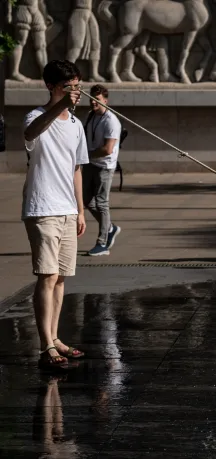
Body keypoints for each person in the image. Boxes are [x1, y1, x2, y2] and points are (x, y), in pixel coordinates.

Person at [22, 59, 89, 370]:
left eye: (76, 86)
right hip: (42, 207)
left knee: (61, 278)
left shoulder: (76, 125)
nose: (74, 92)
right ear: (50, 86)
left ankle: (56, 337)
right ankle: (45, 344)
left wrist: (79, 210)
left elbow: (76, 168)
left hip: (66, 209)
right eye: (67, 87)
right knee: (47, 276)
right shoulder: (36, 116)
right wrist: (59, 105)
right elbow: (31, 133)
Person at [82, 84, 122, 256]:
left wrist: (87, 155)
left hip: (104, 166)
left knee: (102, 203)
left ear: (105, 101)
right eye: (91, 99)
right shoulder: (90, 116)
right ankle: (110, 227)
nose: (93, 103)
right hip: (91, 163)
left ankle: (103, 243)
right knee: (86, 200)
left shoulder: (111, 121)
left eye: (97, 100)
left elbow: (107, 149)